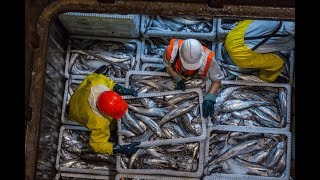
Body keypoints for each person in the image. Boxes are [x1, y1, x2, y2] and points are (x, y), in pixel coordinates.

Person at [68, 65, 141, 156]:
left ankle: (95, 74)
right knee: (111, 127)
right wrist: (119, 149)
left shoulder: (98, 83)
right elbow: (98, 145)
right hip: (76, 111)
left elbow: (107, 82)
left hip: (80, 95)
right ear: (104, 113)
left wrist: (121, 89)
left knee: (93, 77)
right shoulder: (99, 123)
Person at [163, 38, 225, 118]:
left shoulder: (209, 60)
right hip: (178, 74)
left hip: (198, 78)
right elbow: (167, 65)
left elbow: (217, 81)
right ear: (180, 55)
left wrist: (210, 96)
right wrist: (175, 75)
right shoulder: (171, 50)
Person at [225, 19, 295, 82]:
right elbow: (278, 62)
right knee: (277, 63)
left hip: (235, 34)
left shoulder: (279, 13)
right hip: (240, 53)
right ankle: (263, 79)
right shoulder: (287, 36)